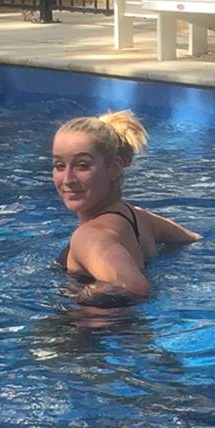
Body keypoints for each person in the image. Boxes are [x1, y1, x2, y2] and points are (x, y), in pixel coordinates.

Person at [52, 110, 199, 303]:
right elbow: (192, 239)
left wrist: (81, 297)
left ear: (114, 169)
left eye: (82, 165)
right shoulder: (138, 217)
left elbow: (134, 287)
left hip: (95, 322)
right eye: (59, 165)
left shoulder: (90, 236)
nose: (67, 179)